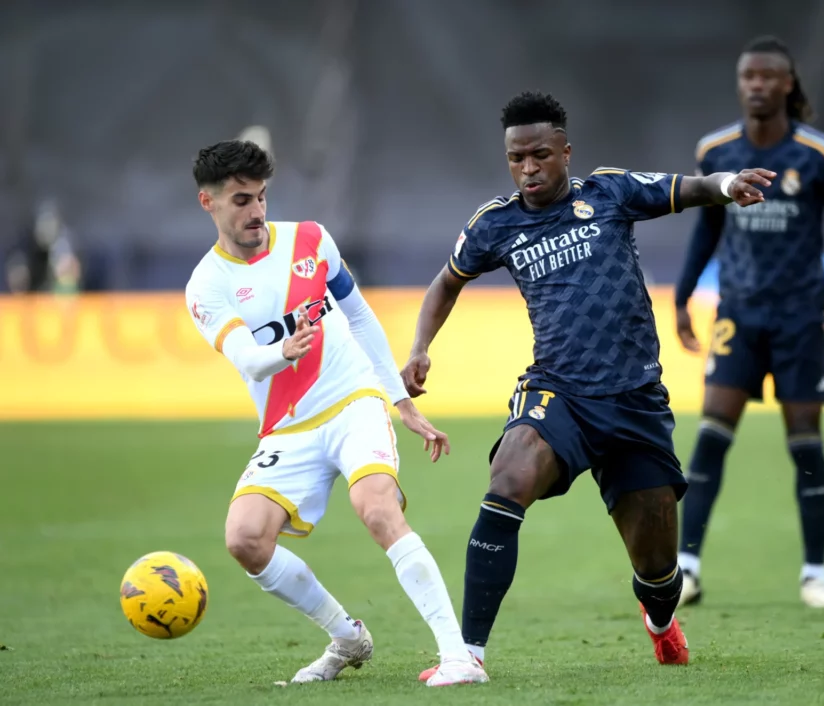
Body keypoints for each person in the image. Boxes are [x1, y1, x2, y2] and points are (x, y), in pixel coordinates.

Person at [400, 91, 773, 677]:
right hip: (558, 391)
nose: (528, 169)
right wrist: (420, 347)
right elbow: (447, 282)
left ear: (566, 152)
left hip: (634, 399)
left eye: (540, 155)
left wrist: (728, 185)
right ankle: (467, 654)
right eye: (517, 158)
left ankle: (659, 620)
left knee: (658, 571)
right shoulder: (494, 224)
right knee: (509, 479)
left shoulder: (609, 193)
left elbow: (691, 188)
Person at [184, 140, 487, 687]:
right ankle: (347, 636)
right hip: (287, 426)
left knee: (376, 508)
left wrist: (399, 401)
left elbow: (361, 317)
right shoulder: (206, 285)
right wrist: (284, 350)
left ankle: (459, 657)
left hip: (353, 401)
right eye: (241, 200)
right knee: (245, 538)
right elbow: (248, 360)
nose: (256, 211)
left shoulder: (310, 239)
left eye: (262, 197)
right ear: (209, 202)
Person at [673, 36, 824, 609]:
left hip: (801, 317)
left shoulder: (818, 154)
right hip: (738, 313)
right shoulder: (716, 151)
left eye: (766, 76)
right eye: (747, 76)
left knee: (805, 440)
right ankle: (687, 570)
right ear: (740, 84)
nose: (756, 84)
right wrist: (682, 296)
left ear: (787, 84)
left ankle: (815, 576)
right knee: (711, 434)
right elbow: (707, 227)